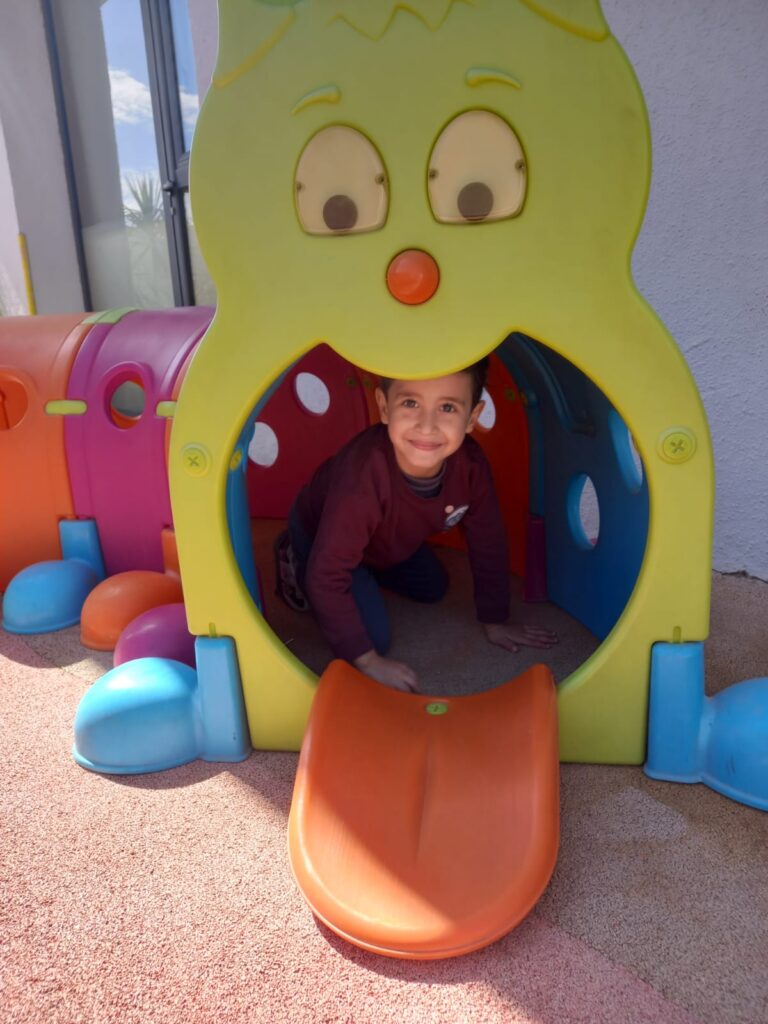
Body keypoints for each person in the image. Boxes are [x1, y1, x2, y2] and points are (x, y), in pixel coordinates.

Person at [274, 358, 558, 692]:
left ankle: (367, 568)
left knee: (433, 586)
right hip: (320, 533)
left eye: (447, 408)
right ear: (384, 407)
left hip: (382, 539)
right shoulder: (363, 476)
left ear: (472, 418)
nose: (427, 425)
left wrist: (495, 619)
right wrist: (367, 661)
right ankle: (293, 556)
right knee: (371, 638)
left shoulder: (470, 466)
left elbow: (488, 541)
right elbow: (327, 574)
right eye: (410, 403)